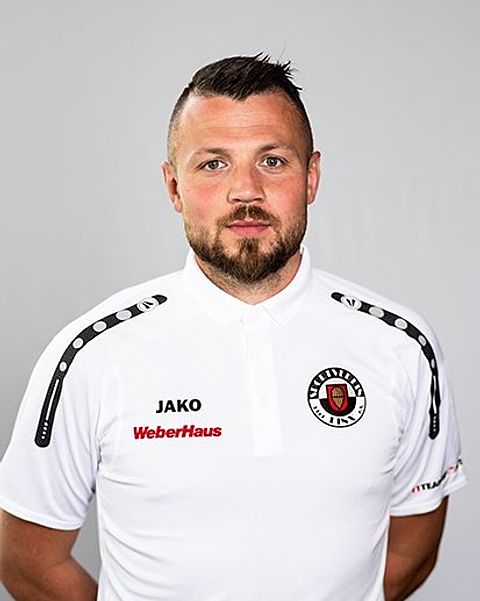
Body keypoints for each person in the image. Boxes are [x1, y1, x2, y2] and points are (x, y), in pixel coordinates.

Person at [0, 54, 466, 601]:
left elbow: (413, 547)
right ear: (174, 187)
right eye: (213, 164)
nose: (246, 190)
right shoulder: (90, 355)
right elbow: (26, 560)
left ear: (311, 177)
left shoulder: (402, 346)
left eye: (272, 160)